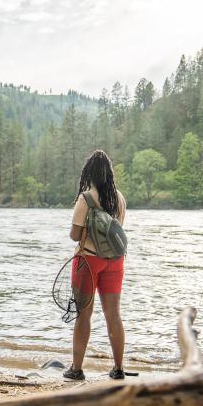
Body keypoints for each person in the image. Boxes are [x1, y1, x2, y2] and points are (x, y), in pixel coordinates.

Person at [64, 150, 127, 381]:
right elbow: (117, 231)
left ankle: (77, 369)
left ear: (89, 172)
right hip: (115, 261)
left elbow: (74, 235)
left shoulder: (86, 198)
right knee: (114, 316)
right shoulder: (119, 198)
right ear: (109, 173)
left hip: (88, 261)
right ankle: (118, 368)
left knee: (84, 315)